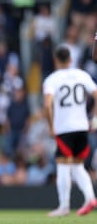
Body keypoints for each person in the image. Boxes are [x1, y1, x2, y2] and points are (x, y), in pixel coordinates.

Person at [43, 46, 97, 217]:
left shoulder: (52, 79)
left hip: (64, 128)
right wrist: (94, 118)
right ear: (70, 59)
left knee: (63, 166)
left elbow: (47, 104)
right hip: (81, 126)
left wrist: (51, 127)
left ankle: (64, 206)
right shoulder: (82, 75)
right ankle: (90, 197)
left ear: (56, 60)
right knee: (77, 166)